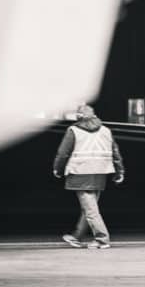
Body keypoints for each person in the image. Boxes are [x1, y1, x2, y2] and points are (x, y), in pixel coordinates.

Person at [53, 104, 125, 249]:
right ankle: (77, 236)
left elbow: (63, 153)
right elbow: (115, 153)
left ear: (78, 117)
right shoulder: (105, 130)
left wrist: (58, 170)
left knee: (91, 209)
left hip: (80, 172)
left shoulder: (73, 130)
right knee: (90, 207)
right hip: (100, 172)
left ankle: (102, 239)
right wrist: (119, 172)